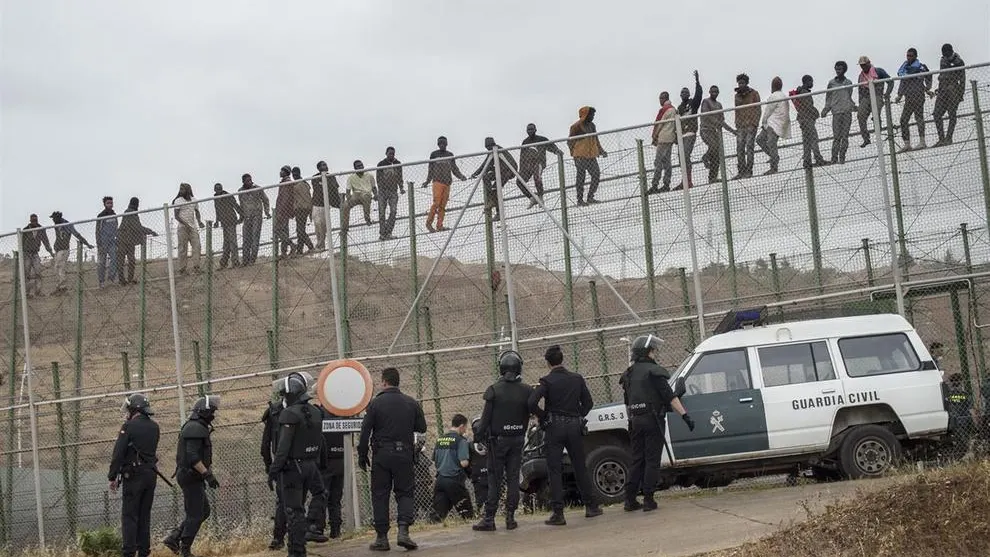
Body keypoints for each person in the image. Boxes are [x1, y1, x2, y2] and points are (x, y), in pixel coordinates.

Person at [619, 335, 694, 512]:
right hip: (653, 420)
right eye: (653, 349)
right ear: (648, 352)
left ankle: (629, 500)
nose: (655, 352)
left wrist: (631, 421)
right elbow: (670, 396)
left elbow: (627, 402)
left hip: (636, 421)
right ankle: (648, 499)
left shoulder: (628, 374)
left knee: (637, 459)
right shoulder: (655, 372)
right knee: (652, 460)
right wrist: (685, 416)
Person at [527, 345, 601, 525]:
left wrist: (544, 416)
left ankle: (558, 513)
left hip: (555, 427)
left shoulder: (546, 381)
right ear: (562, 360)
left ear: (548, 363)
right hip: (574, 426)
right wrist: (578, 414)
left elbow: (531, 402)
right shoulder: (577, 379)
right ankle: (591, 506)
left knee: (554, 469)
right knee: (579, 466)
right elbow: (588, 403)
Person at [358, 367, 428, 551]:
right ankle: (403, 531)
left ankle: (382, 538)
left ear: (384, 382)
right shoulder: (411, 403)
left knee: (380, 494)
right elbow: (422, 427)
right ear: (398, 382)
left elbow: (365, 431)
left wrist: (362, 454)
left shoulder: (375, 404)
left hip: (381, 455)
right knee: (405, 492)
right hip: (404, 454)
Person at [472, 350, 533, 532]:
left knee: (494, 479)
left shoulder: (494, 390)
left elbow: (485, 420)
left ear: (501, 368)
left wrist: (478, 435)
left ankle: (489, 519)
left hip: (497, 442)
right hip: (518, 440)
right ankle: (510, 518)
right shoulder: (527, 390)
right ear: (519, 368)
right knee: (513, 478)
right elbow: (533, 409)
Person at [268, 373, 325, 557]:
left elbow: (283, 448)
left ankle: (297, 551)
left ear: (290, 394)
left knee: (294, 511)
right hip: (311, 465)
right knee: (319, 494)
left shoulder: (289, 414)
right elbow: (321, 441)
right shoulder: (315, 412)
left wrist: (273, 471)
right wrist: (319, 464)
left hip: (294, 468)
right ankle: (311, 526)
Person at [163, 396, 221, 557]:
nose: (214, 415)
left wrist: (205, 474)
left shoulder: (196, 427)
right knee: (195, 514)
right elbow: (192, 457)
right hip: (190, 476)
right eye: (212, 411)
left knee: (203, 511)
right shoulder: (195, 428)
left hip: (193, 476)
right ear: (204, 412)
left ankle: (174, 538)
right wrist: (207, 474)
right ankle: (185, 549)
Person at [261, 372, 313, 550]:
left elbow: (266, 442)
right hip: (288, 462)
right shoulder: (281, 411)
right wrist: (270, 466)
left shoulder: (284, 411)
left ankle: (288, 539)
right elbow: (266, 442)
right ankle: (286, 539)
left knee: (290, 503)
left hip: (292, 463)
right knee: (289, 503)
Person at [108, 393, 160, 557]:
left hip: (134, 476)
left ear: (133, 409)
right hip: (151, 475)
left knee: (130, 516)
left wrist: (112, 476)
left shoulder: (128, 426)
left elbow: (119, 453)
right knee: (145, 515)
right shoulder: (155, 427)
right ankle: (144, 552)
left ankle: (129, 552)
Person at [306, 401, 346, 542]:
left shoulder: (319, 414)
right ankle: (336, 530)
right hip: (341, 460)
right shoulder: (343, 412)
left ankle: (318, 528)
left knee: (322, 496)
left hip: (325, 462)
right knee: (335, 499)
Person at [429, 414, 474, 523]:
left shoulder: (440, 439)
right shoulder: (460, 440)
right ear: (461, 426)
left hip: (440, 480)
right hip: (454, 480)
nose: (466, 430)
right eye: (466, 427)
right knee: (467, 513)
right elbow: (463, 463)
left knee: (438, 516)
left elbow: (434, 459)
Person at [423, 136, 468, 233]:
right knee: (436, 203)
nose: (442, 145)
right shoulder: (434, 155)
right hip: (437, 181)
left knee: (443, 205)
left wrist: (461, 176)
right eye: (440, 143)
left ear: (446, 144)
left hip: (447, 182)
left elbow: (454, 168)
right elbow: (430, 169)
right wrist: (427, 181)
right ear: (438, 144)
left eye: (444, 143)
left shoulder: (450, 155)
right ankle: (429, 223)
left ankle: (439, 225)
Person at [470, 137, 518, 223]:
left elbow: (486, 165)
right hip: (501, 171)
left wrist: (476, 173)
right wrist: (476, 173)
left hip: (507, 171)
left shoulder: (496, 150)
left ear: (493, 144)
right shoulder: (493, 151)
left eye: (489, 146)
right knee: (487, 178)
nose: (488, 148)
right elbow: (487, 165)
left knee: (495, 189)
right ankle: (491, 199)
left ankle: (497, 209)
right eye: (487, 147)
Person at [567, 106, 608, 206]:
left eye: (593, 115)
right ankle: (580, 200)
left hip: (591, 155)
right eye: (591, 114)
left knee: (596, 174)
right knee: (581, 177)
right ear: (585, 115)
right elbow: (570, 141)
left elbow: (595, 139)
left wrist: (601, 150)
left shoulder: (592, 125)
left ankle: (590, 197)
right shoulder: (576, 126)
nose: (593, 116)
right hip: (580, 155)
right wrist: (574, 152)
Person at [517, 123, 563, 208]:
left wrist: (557, 151)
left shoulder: (541, 139)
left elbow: (551, 146)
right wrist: (521, 169)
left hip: (539, 163)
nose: (530, 131)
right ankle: (532, 198)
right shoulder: (525, 142)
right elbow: (522, 157)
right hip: (528, 165)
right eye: (528, 130)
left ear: (535, 130)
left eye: (531, 129)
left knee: (536, 176)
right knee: (519, 181)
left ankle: (541, 197)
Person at [895, 47, 933, 152]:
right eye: (907, 55)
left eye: (911, 55)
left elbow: (928, 76)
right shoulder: (905, 69)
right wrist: (899, 95)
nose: (909, 57)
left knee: (919, 118)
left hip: (918, 96)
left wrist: (927, 88)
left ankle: (922, 142)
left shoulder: (920, 67)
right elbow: (903, 81)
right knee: (903, 119)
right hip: (908, 97)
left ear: (916, 56)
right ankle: (907, 144)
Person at [49, 211, 93, 294]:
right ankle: (60, 286)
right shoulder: (56, 225)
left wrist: (87, 244)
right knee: (57, 268)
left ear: (58, 218)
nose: (53, 220)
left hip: (64, 249)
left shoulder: (66, 225)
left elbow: (77, 234)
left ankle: (62, 287)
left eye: (54, 218)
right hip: (58, 249)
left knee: (60, 268)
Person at [699, 85, 736, 184]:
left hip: (714, 131)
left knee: (717, 154)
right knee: (714, 146)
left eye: (716, 91)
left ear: (718, 93)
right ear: (709, 92)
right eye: (713, 91)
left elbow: (722, 121)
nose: (714, 93)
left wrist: (732, 131)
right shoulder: (706, 102)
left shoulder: (719, 105)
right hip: (705, 129)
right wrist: (717, 122)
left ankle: (712, 177)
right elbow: (706, 115)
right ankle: (705, 157)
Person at [821, 61, 856, 164]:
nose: (838, 71)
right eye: (836, 69)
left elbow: (849, 95)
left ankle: (842, 156)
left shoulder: (848, 82)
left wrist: (852, 106)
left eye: (840, 69)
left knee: (845, 136)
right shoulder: (831, 83)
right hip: (836, 112)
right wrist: (826, 109)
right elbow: (829, 98)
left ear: (844, 70)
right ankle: (834, 157)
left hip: (846, 111)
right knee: (837, 137)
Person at [855, 56, 894, 148]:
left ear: (869, 63)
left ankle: (878, 134)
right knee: (860, 116)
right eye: (861, 65)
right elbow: (860, 90)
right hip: (866, 97)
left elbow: (890, 81)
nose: (863, 67)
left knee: (876, 114)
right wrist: (860, 102)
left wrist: (887, 93)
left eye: (864, 65)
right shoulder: (861, 76)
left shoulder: (878, 71)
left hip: (877, 95)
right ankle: (866, 138)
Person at [117, 199, 157, 286]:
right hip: (123, 241)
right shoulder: (130, 213)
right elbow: (137, 227)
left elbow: (137, 227)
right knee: (123, 261)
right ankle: (122, 280)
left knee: (130, 260)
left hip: (129, 241)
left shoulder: (132, 213)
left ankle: (128, 279)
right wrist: (150, 231)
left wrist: (148, 231)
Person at [675, 70, 704, 188]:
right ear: (680, 95)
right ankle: (684, 180)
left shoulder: (693, 103)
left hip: (690, 133)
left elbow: (699, 95)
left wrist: (697, 81)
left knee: (686, 155)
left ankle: (688, 181)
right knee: (681, 158)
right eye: (682, 92)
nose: (684, 93)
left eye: (686, 92)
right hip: (681, 136)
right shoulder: (679, 108)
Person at [791, 75, 827, 169]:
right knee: (814, 138)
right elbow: (808, 106)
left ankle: (807, 161)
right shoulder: (804, 92)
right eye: (811, 81)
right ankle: (818, 159)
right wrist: (816, 113)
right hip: (807, 119)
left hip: (802, 119)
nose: (812, 83)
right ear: (807, 82)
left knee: (806, 141)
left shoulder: (801, 91)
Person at [934, 44, 966, 147]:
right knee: (937, 114)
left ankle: (949, 138)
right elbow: (942, 75)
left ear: (951, 51)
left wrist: (960, 94)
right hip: (942, 89)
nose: (945, 55)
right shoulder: (942, 60)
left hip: (953, 89)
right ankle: (941, 139)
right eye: (943, 53)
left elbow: (962, 79)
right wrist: (939, 88)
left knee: (952, 114)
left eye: (946, 52)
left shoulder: (959, 61)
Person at [757, 77, 790, 175]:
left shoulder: (774, 96)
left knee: (771, 143)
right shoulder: (783, 96)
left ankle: (774, 166)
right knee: (761, 140)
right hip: (778, 123)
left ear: (772, 86)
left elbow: (768, 111)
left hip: (773, 123)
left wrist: (763, 123)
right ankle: (774, 157)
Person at [238, 173, 272, 266]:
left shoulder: (257, 188)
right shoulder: (240, 191)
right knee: (246, 239)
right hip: (247, 217)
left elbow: (265, 200)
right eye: (247, 180)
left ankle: (252, 260)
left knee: (255, 237)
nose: (250, 182)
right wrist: (241, 217)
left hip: (257, 216)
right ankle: (245, 260)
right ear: (243, 181)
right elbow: (241, 204)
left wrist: (267, 211)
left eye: (250, 180)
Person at [732, 74, 761, 179]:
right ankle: (741, 171)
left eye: (742, 83)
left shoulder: (754, 93)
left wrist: (755, 123)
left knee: (749, 147)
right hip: (740, 125)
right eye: (739, 83)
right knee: (739, 148)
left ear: (747, 83)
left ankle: (749, 170)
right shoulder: (737, 96)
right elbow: (737, 110)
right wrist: (737, 123)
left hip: (751, 124)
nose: (740, 85)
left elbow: (758, 109)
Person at [172, 183, 204, 274]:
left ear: (188, 190)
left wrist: (199, 221)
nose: (181, 191)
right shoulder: (178, 200)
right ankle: (182, 269)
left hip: (193, 227)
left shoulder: (194, 200)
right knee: (182, 248)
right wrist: (185, 224)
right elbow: (176, 216)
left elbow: (197, 212)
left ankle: (196, 267)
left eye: (183, 189)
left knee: (197, 246)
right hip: (182, 227)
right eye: (180, 189)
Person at [649, 92, 677, 194]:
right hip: (670, 138)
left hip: (663, 138)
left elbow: (658, 124)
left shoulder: (663, 110)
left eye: (661, 98)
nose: (660, 100)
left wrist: (654, 137)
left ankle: (655, 185)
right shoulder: (674, 109)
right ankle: (666, 184)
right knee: (667, 161)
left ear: (664, 99)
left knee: (658, 161)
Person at [309, 161, 340, 251]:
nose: (325, 166)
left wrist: (337, 202)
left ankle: (322, 245)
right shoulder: (315, 177)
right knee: (317, 224)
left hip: (325, 205)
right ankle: (319, 243)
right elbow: (318, 188)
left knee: (324, 226)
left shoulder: (331, 177)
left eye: (326, 164)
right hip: (316, 204)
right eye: (322, 165)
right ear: (318, 168)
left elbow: (334, 189)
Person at [376, 147, 405, 241]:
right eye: (390, 154)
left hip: (393, 191)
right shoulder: (381, 164)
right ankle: (382, 234)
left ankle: (388, 231)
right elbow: (378, 179)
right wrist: (380, 190)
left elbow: (400, 177)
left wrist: (401, 188)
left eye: (393, 154)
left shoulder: (397, 163)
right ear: (386, 153)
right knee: (381, 213)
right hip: (383, 191)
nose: (391, 155)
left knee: (393, 211)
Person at [21, 214, 53, 298]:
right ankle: (27, 293)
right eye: (33, 220)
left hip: (35, 253)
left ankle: (38, 291)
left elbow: (45, 241)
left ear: (37, 220)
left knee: (38, 272)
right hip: (27, 253)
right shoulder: (25, 230)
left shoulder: (41, 229)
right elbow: (21, 243)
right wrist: (21, 254)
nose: (34, 222)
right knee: (27, 273)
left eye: (36, 220)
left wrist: (50, 251)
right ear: (30, 221)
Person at [212, 183, 243, 269]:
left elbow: (235, 205)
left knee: (232, 242)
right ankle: (224, 262)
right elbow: (217, 210)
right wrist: (217, 221)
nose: (218, 190)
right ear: (215, 190)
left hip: (231, 220)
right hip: (224, 222)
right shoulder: (215, 197)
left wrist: (241, 215)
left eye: (219, 188)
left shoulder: (228, 195)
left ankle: (235, 262)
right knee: (226, 243)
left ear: (222, 188)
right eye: (217, 189)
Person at [342, 160, 376, 233]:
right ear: (355, 168)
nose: (360, 167)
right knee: (345, 205)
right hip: (356, 194)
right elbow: (348, 190)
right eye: (358, 166)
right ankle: (345, 227)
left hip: (366, 193)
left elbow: (374, 187)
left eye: (361, 165)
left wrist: (376, 194)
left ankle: (367, 219)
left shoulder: (369, 175)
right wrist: (348, 199)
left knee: (365, 196)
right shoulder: (351, 177)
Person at [95, 196, 119, 288]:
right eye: (108, 203)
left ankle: (111, 277)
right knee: (102, 263)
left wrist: (117, 238)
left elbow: (116, 227)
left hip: (112, 242)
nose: (110, 204)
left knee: (115, 259)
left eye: (111, 203)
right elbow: (97, 230)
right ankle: (101, 281)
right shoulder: (100, 216)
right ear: (104, 204)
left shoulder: (114, 214)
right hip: (103, 243)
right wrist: (99, 243)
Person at [467, 417, 489, 515]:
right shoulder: (493, 442)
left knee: (481, 501)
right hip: (488, 475)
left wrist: (471, 474)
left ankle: (481, 513)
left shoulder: (471, 445)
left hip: (479, 476)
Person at [291, 167, 315, 255]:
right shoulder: (305, 184)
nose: (294, 175)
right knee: (300, 229)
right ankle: (300, 250)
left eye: (295, 174)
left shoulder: (298, 185)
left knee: (300, 230)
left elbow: (297, 199)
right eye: (293, 174)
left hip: (301, 209)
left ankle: (310, 246)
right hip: (305, 208)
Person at [274, 166, 296, 258]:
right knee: (284, 231)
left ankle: (291, 245)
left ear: (285, 172)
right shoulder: (285, 182)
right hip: (285, 210)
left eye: (281, 170)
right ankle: (284, 252)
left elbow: (285, 198)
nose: (280, 172)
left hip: (283, 211)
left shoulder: (286, 183)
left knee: (277, 230)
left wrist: (280, 211)